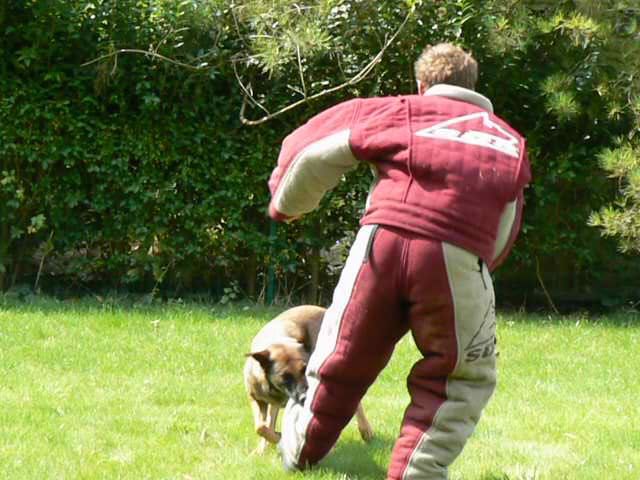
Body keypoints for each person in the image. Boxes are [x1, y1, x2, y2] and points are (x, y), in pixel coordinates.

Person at [267, 43, 531, 480]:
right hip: (458, 256)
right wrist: (480, 269)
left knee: (340, 357)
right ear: (474, 86)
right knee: (458, 379)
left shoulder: (399, 111)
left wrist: (287, 203)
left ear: (422, 84)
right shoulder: (508, 140)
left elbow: (315, 149)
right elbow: (507, 222)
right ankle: (417, 472)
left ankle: (298, 452)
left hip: (380, 244)